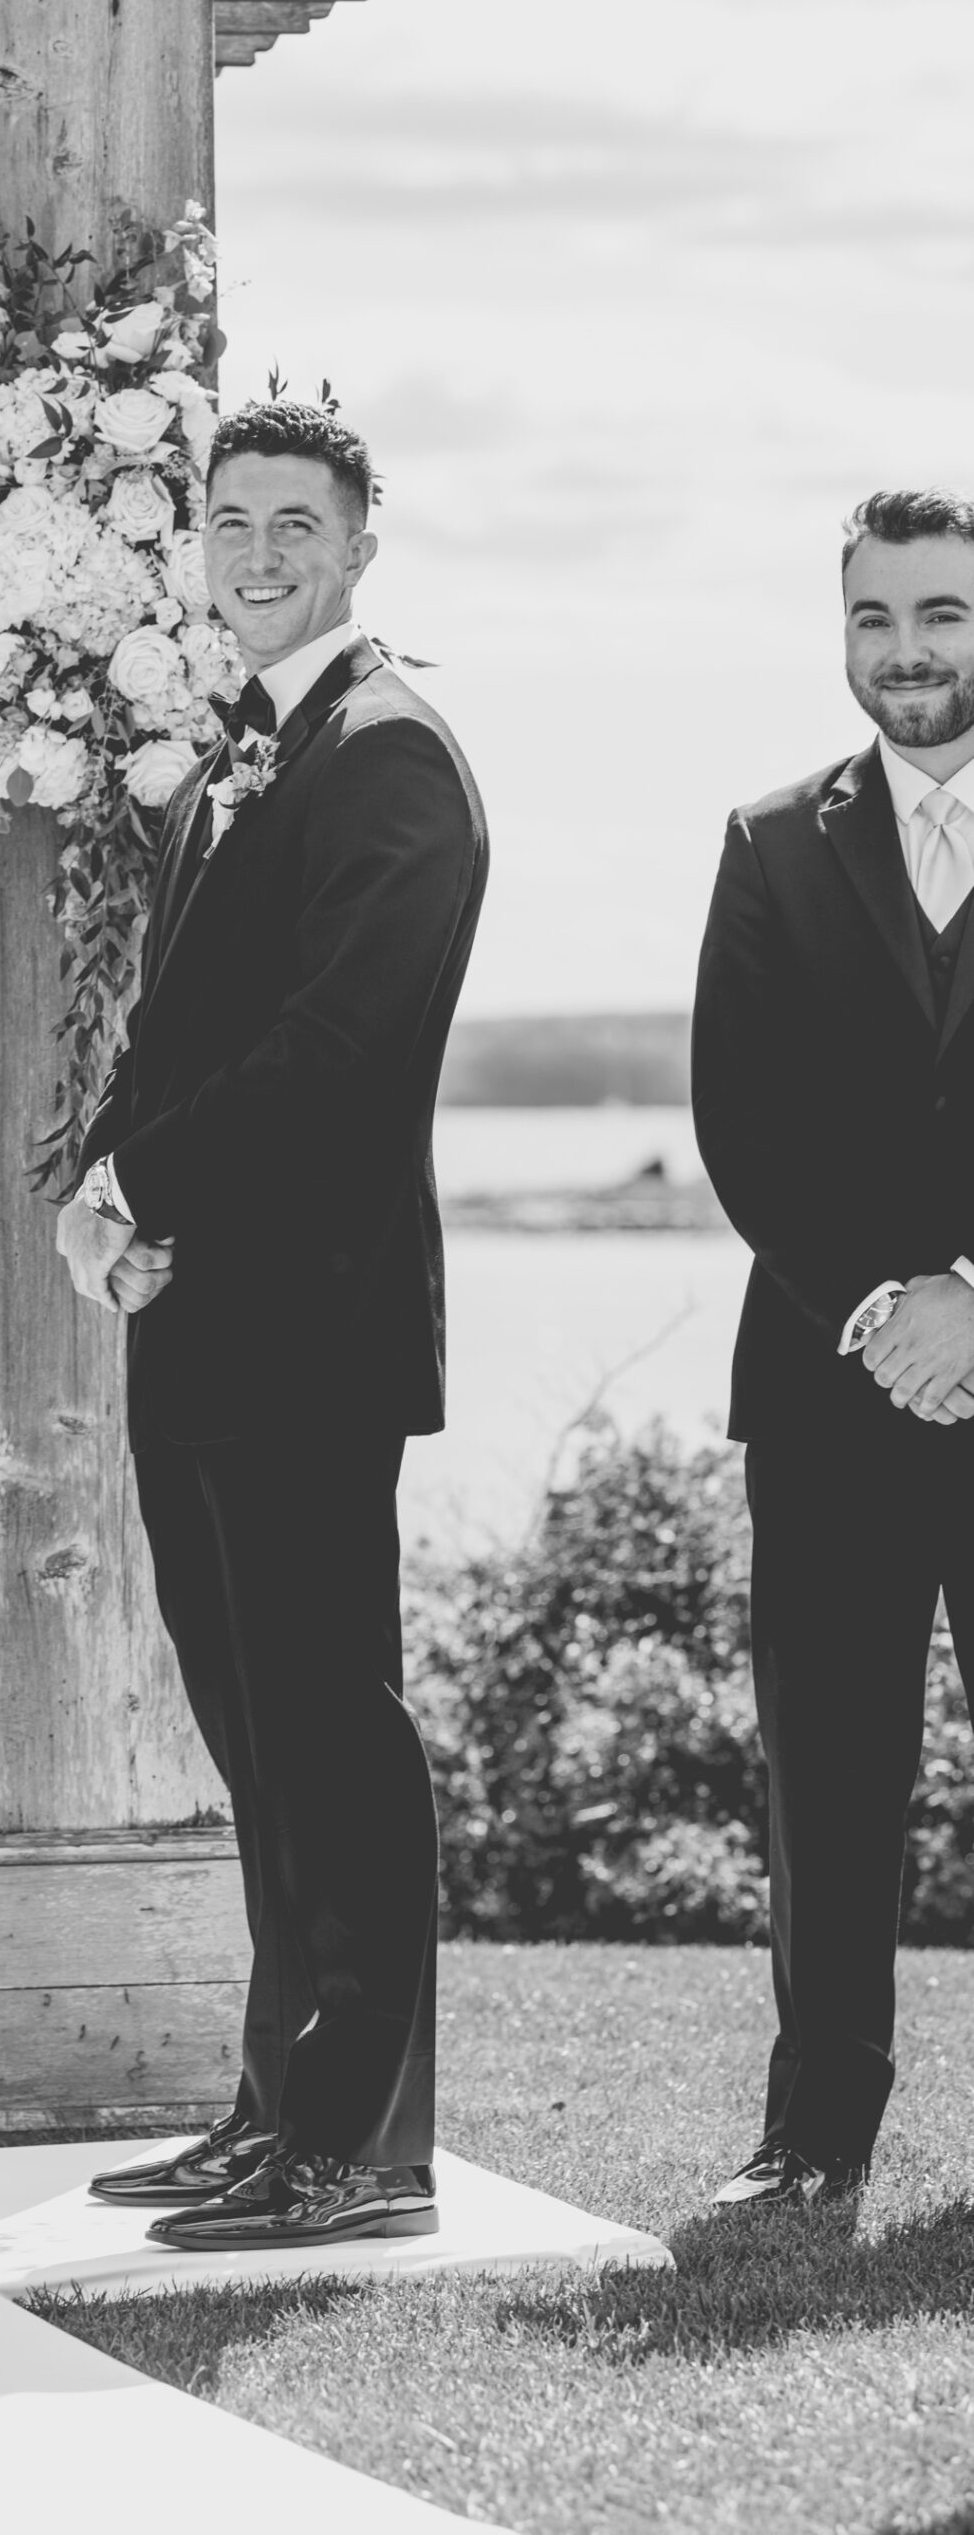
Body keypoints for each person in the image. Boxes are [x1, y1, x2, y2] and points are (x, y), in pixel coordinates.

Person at [55, 401, 488, 2248]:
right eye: (229, 520)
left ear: (359, 547)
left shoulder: (389, 759)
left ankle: (363, 2146)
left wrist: (142, 1189)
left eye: (293, 524)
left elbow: (332, 1056)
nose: (255, 552)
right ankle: (274, 2106)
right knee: (258, 1738)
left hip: (311, 1334)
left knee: (332, 1735)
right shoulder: (250, 746)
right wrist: (103, 1185)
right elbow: (186, 1035)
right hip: (210, 1326)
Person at [694, 488, 974, 2209]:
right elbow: (743, 1119)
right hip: (830, 1382)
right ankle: (812, 2144)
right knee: (830, 1777)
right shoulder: (774, 839)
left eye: (940, 615)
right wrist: (889, 1310)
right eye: (875, 619)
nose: (909, 653)